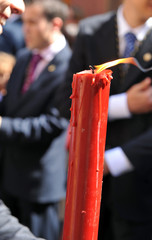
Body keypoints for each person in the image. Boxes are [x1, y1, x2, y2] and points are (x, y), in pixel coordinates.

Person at [58, 0, 152, 239]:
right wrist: (123, 105)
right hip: (83, 185)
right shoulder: (91, 30)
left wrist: (111, 161)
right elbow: (65, 102)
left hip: (137, 188)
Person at [0, 0, 71, 240]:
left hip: (39, 180)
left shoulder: (71, 66)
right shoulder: (23, 57)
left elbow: (54, 123)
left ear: (55, 24)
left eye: (32, 22)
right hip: (10, 172)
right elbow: (11, 107)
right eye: (23, 23)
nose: (25, 30)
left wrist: (2, 125)